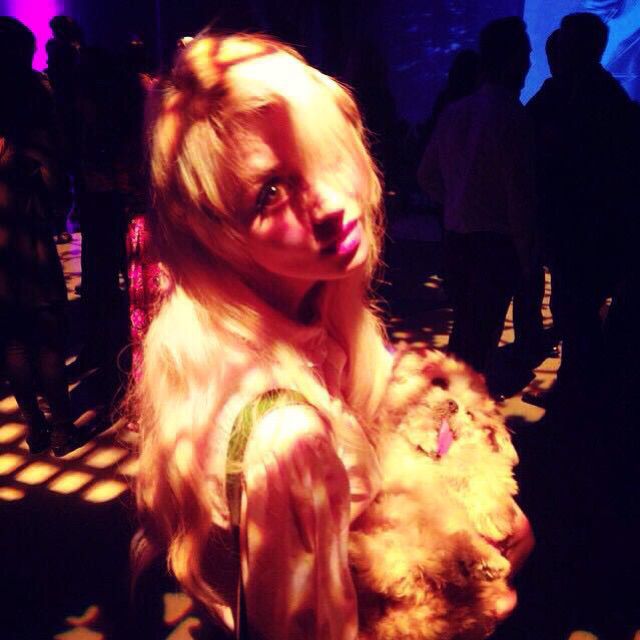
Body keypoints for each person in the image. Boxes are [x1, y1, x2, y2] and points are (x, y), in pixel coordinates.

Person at [130, 32, 532, 639]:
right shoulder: (286, 437)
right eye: (269, 192)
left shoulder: (301, 318)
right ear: (217, 233)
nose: (327, 204)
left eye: (322, 153)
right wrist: (466, 607)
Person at [418, 17, 537, 391]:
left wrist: (455, 202)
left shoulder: (456, 111)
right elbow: (519, 195)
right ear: (512, 59)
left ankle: (448, 405)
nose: (530, 63)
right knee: (481, 338)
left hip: (456, 241)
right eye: (526, 55)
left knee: (465, 330)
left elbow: (426, 175)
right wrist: (528, 254)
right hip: (496, 246)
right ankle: (460, 409)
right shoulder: (514, 117)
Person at [0, 17, 81, 456]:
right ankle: (62, 428)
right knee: (46, 332)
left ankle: (34, 425)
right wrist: (56, 206)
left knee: (13, 338)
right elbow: (53, 172)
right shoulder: (36, 97)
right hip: (29, 234)